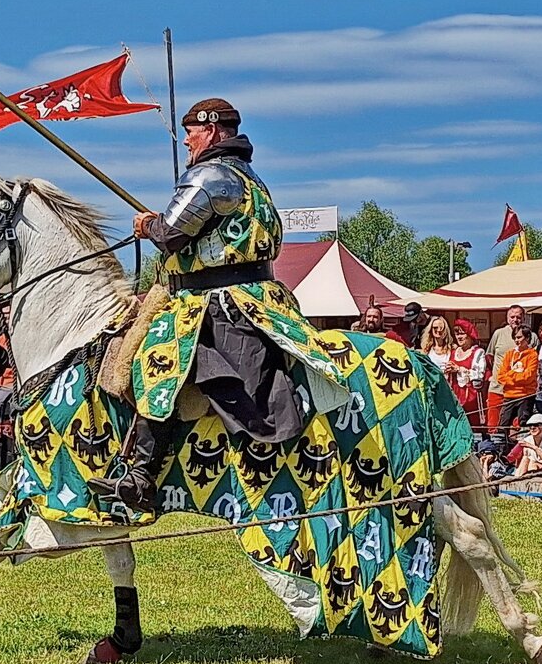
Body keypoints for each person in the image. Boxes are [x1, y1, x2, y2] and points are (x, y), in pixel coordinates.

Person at [87, 97, 347, 510]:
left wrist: (147, 224)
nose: (187, 140)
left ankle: (141, 476)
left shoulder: (210, 175)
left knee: (155, 361)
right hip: (261, 297)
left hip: (218, 303)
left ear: (211, 131)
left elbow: (171, 234)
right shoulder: (252, 179)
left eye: (191, 132)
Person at [487, 305, 539, 431]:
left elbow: (531, 369)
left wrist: (511, 376)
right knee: (495, 425)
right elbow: (489, 356)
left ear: (524, 318)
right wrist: (502, 376)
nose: (515, 320)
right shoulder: (498, 333)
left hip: (523, 392)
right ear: (507, 317)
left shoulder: (532, 337)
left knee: (519, 426)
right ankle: (495, 449)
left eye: (518, 317)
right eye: (512, 317)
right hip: (498, 388)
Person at [446, 319, 486, 427]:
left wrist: (459, 369)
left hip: (470, 395)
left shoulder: (478, 352)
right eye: (457, 334)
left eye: (462, 334)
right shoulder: (454, 352)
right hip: (455, 394)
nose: (459, 337)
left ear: (469, 335)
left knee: (471, 425)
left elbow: (479, 375)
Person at [497, 326, 538, 431]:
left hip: (525, 396)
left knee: (524, 425)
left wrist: (510, 375)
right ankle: (502, 446)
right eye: (515, 337)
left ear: (527, 338)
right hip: (509, 395)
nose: (516, 340)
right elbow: (500, 376)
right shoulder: (509, 354)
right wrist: (516, 376)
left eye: (519, 337)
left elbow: (528, 377)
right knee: (502, 425)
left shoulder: (533, 355)